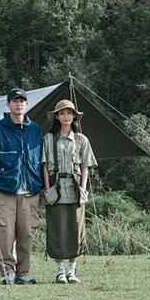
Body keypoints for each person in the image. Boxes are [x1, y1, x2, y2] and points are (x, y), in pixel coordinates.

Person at [0, 88, 43, 286]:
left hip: (29, 191)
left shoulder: (35, 129)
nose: (19, 104)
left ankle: (24, 273)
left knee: (27, 233)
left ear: (27, 105)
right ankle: (7, 272)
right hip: (4, 190)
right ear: (7, 104)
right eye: (15, 101)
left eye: (22, 101)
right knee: (4, 233)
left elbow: (40, 159)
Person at [41, 99, 97, 284]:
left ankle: (72, 271)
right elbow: (44, 166)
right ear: (57, 116)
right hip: (56, 188)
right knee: (57, 229)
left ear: (74, 116)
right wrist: (47, 189)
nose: (66, 116)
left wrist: (83, 188)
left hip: (74, 188)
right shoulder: (49, 139)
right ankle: (59, 270)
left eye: (69, 113)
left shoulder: (82, 139)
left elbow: (86, 166)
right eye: (62, 113)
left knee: (75, 229)